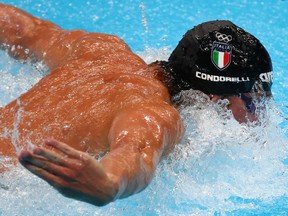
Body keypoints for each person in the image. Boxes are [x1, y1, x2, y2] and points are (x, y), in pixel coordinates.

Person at [0, 3, 272, 206]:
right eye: (250, 103)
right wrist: (108, 183)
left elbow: (23, 30)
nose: (259, 119)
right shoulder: (154, 114)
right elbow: (135, 153)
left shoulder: (101, 49)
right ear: (213, 100)